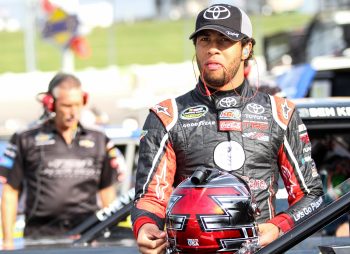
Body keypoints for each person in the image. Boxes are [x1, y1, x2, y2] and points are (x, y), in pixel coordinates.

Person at [131, 4, 324, 253]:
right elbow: (151, 197)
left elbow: (311, 195)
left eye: (224, 40)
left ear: (246, 48)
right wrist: (145, 225)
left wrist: (279, 226)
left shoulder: (280, 113)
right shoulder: (167, 116)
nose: (213, 48)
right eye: (204, 39)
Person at [0, 73, 120, 249]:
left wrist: (109, 237)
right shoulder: (25, 139)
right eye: (66, 105)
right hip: (40, 239)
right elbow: (10, 191)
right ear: (50, 103)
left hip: (88, 236)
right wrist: (8, 241)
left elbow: (107, 191)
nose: (73, 112)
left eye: (78, 105)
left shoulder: (99, 139)